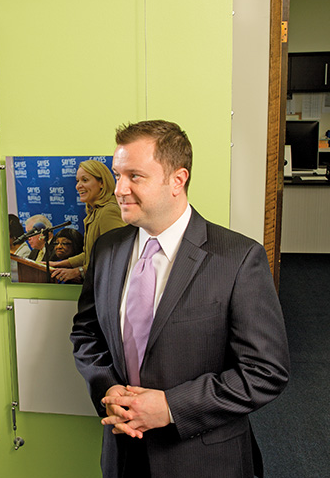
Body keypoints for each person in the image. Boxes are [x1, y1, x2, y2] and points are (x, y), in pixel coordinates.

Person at [70, 120, 290, 478]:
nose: (120, 188)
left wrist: (171, 407)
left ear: (177, 179)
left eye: (134, 176)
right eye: (117, 174)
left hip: (202, 459)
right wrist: (108, 389)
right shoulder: (108, 250)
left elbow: (265, 372)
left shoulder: (238, 258)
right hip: (123, 454)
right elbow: (86, 334)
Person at [51, 160, 125, 283]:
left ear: (102, 183)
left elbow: (115, 256)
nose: (78, 186)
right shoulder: (95, 212)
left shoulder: (109, 211)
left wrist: (78, 272)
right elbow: (89, 255)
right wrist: (58, 264)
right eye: (78, 181)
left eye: (85, 180)